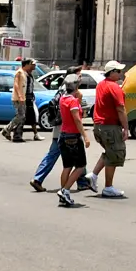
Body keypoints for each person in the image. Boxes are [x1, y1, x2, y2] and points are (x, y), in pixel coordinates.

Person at [89, 61, 128, 199]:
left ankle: (93, 175)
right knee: (115, 155)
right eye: (118, 71)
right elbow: (120, 109)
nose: (120, 73)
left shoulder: (101, 85)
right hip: (110, 126)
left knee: (109, 151)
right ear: (111, 72)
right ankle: (108, 187)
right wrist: (126, 128)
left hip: (99, 125)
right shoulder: (114, 87)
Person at [54, 75, 91, 209]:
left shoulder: (63, 98)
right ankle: (65, 190)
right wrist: (85, 136)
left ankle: (63, 193)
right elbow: (77, 119)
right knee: (80, 166)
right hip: (73, 136)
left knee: (67, 166)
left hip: (63, 135)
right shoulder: (73, 101)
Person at [6, 59, 38, 143]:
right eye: (29, 64)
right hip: (18, 98)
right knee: (20, 116)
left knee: (22, 116)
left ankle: (10, 132)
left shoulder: (25, 73)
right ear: (26, 65)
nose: (31, 66)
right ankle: (7, 129)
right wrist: (20, 95)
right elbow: (16, 84)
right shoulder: (19, 72)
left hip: (23, 98)